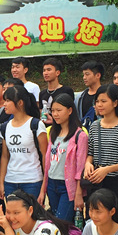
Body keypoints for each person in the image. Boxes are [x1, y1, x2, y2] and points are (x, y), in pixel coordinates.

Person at [84, 85, 118, 229]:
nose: (99, 105)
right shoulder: (94, 126)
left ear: (115, 103)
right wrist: (88, 164)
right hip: (98, 182)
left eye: (103, 101)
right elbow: (90, 153)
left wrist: (108, 169)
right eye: (97, 101)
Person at [40, 94, 87, 222]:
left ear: (70, 110)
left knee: (62, 223)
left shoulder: (80, 135)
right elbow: (48, 163)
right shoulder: (53, 133)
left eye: (59, 110)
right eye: (53, 111)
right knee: (55, 221)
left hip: (68, 186)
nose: (55, 114)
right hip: (52, 183)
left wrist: (78, 193)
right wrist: (43, 190)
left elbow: (80, 168)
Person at [0, 85, 48, 200]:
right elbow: (5, 156)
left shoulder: (36, 125)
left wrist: (44, 187)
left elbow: (45, 155)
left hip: (32, 181)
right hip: (11, 180)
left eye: (8, 100)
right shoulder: (6, 127)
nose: (4, 104)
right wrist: (2, 183)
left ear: (20, 103)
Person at [39, 58, 75, 125]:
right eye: (44, 70)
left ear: (57, 72)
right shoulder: (42, 93)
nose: (45, 73)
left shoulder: (66, 91)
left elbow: (71, 113)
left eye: (49, 70)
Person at [75, 60, 104, 126]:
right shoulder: (79, 97)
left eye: (87, 74)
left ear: (98, 75)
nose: (84, 77)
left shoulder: (107, 95)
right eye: (83, 75)